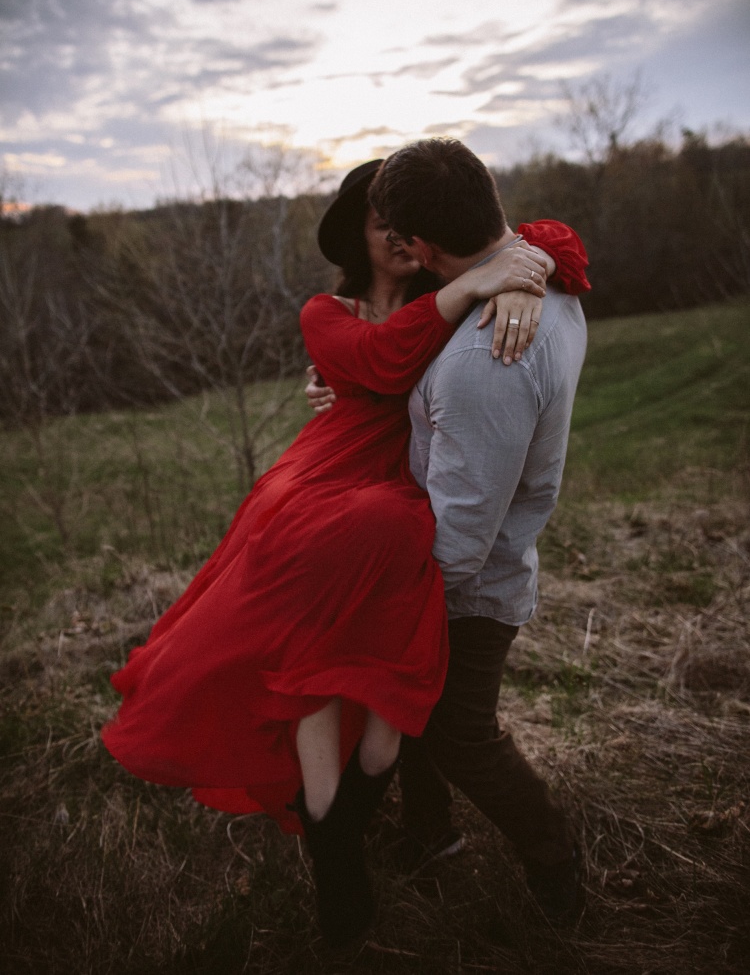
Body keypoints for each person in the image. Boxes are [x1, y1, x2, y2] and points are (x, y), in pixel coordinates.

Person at [102, 157, 588, 948]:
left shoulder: (460, 300)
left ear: (428, 240)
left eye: (404, 227)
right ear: (357, 240)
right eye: (378, 224)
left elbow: (523, 246)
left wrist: (517, 270)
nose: (395, 238)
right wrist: (481, 283)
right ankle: (343, 852)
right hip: (329, 499)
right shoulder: (330, 311)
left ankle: (370, 831)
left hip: (397, 511)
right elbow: (384, 360)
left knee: (409, 696)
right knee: (324, 666)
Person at [368, 139, 589, 924]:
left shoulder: (485, 358)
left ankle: (556, 862)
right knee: (418, 715)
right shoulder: (541, 282)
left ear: (422, 246)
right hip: (477, 567)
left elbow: (461, 534)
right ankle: (430, 835)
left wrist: (390, 599)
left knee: (460, 733)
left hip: (470, 587)